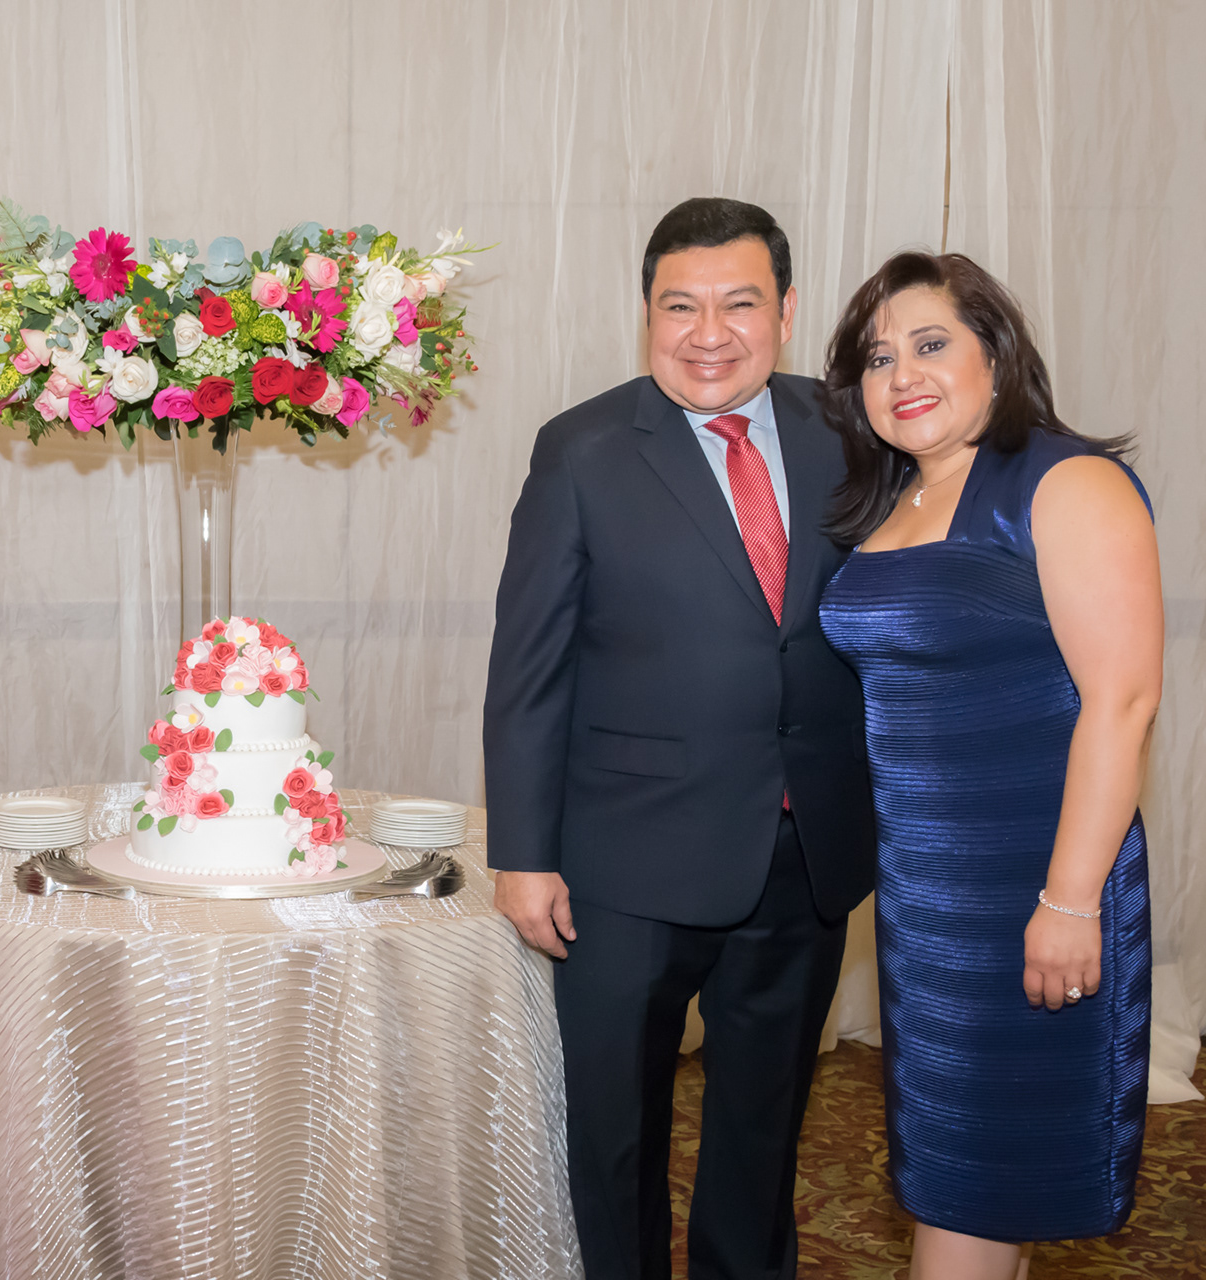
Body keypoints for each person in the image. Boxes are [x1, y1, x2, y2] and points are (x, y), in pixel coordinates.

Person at [484, 197, 876, 1280]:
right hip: (626, 860)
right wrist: (523, 853)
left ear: (785, 311)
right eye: (679, 306)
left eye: (739, 304)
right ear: (647, 313)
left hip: (804, 852)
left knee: (764, 1131)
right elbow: (528, 667)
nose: (709, 334)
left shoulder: (852, 430)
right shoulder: (583, 449)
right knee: (616, 1140)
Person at [817, 252, 1156, 1280]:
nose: (902, 375)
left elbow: (1123, 701)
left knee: (972, 1181)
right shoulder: (893, 499)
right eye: (879, 358)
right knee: (970, 1175)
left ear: (996, 358)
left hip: (1036, 882)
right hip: (927, 905)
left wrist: (1070, 901)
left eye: (931, 344)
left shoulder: (1064, 480)